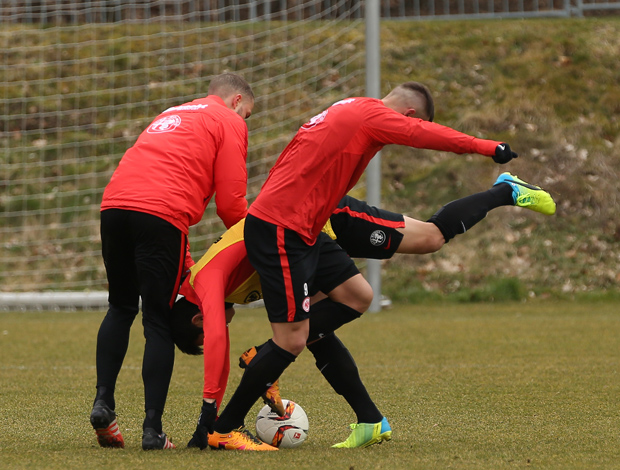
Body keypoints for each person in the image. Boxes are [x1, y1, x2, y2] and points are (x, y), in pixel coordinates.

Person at [207, 80, 554, 451]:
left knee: (357, 296)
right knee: (294, 338)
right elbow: (426, 135)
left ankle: (366, 417)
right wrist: (490, 147)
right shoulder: (373, 115)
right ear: (407, 114)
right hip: (289, 227)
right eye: (409, 123)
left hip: (306, 225)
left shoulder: (349, 106)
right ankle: (224, 427)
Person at [173, 173, 555, 450]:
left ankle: (504, 190)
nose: (217, 332)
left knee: (432, 238)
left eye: (205, 335)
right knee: (315, 329)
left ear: (198, 319)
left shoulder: (209, 284)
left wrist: (249, 372)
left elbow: (223, 342)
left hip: (330, 218)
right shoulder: (221, 290)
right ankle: (371, 420)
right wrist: (266, 362)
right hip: (303, 245)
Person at [89, 73, 255, 450]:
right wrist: (255, 243)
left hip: (114, 207)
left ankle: (104, 404)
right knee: (157, 321)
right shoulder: (229, 121)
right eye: (247, 113)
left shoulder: (173, 112)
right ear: (236, 101)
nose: (244, 121)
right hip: (163, 215)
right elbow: (231, 207)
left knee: (120, 307)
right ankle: (153, 431)